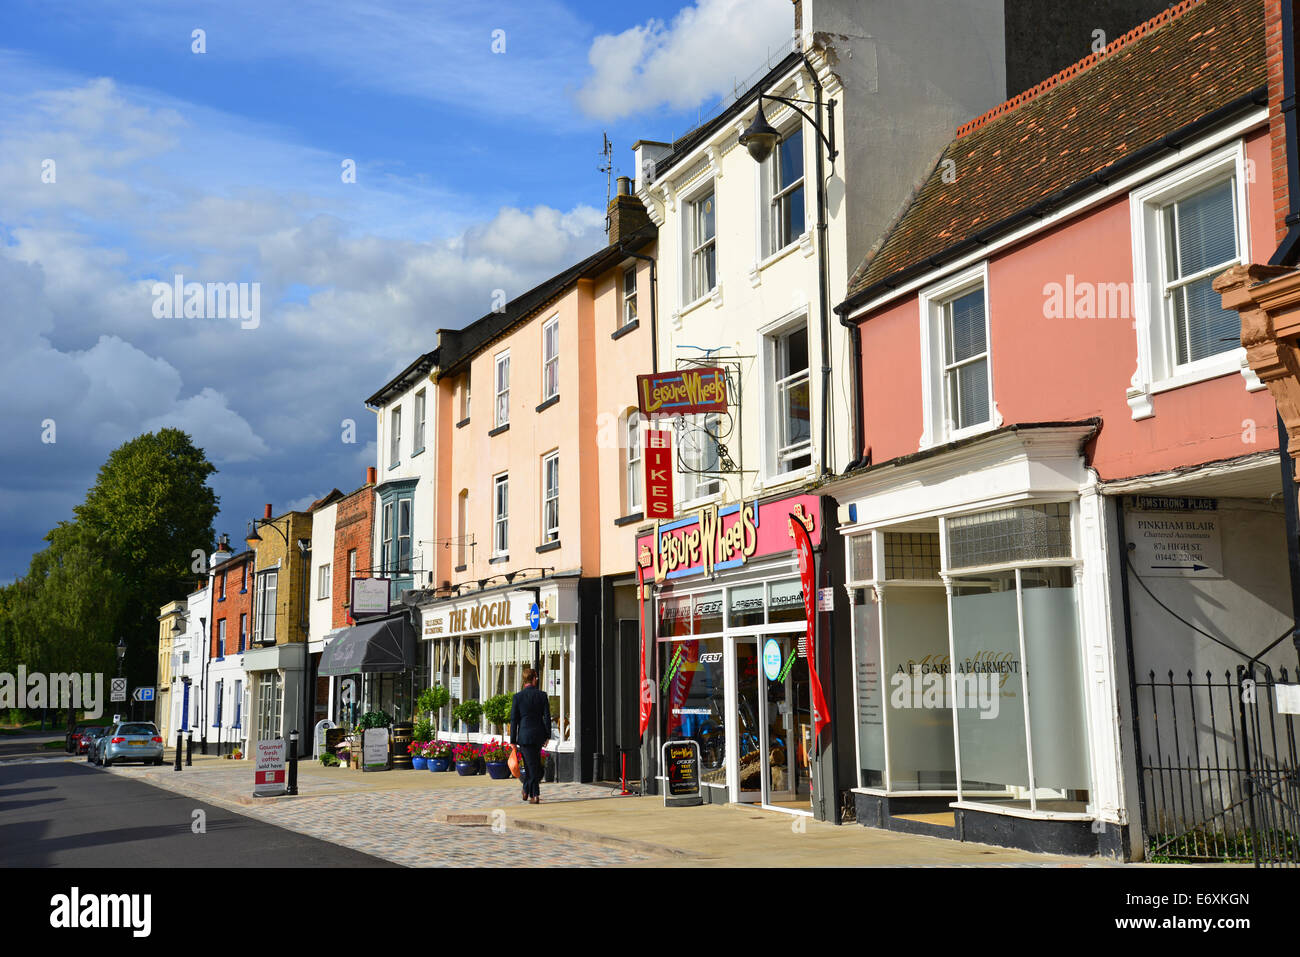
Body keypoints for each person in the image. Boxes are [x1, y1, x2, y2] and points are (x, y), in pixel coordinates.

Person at [510, 668, 550, 804]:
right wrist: (547, 735)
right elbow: (547, 717)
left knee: (530, 765)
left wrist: (513, 740)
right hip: (538, 735)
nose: (537, 680)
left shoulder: (518, 697)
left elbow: (514, 720)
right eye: (536, 677)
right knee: (532, 766)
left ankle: (532, 793)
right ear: (533, 678)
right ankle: (531, 792)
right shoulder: (542, 695)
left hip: (524, 736)